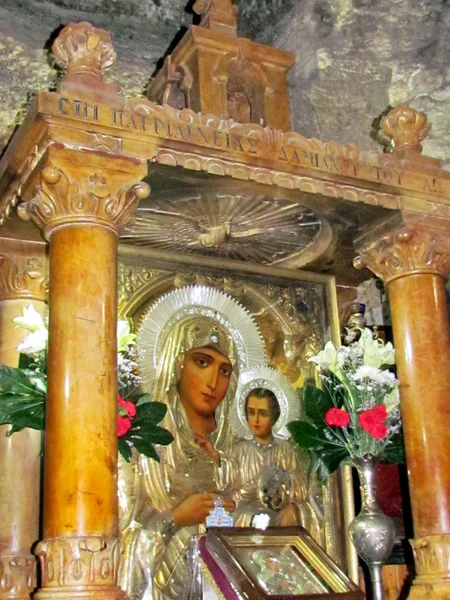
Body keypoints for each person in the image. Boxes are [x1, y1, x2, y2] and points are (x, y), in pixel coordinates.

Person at [118, 286, 266, 600]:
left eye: (224, 370)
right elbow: (118, 543)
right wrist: (175, 520)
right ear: (175, 363)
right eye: (201, 362)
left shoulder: (240, 450)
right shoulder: (141, 448)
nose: (214, 382)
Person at [230, 372, 323, 542]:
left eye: (263, 414)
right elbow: (231, 489)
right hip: (247, 511)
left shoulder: (285, 449)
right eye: (251, 413)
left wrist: (282, 485)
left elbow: (300, 486)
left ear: (274, 416)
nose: (256, 420)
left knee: (295, 513)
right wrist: (251, 490)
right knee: (253, 517)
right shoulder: (240, 450)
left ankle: (284, 558)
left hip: (278, 507)